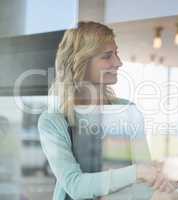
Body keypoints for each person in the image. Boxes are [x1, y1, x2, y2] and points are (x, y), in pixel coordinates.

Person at [38, 21, 164, 200]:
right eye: (107, 56)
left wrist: (143, 176)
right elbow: (75, 186)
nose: (118, 62)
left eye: (116, 54)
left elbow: (146, 185)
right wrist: (137, 172)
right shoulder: (53, 121)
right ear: (81, 62)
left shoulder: (128, 111)